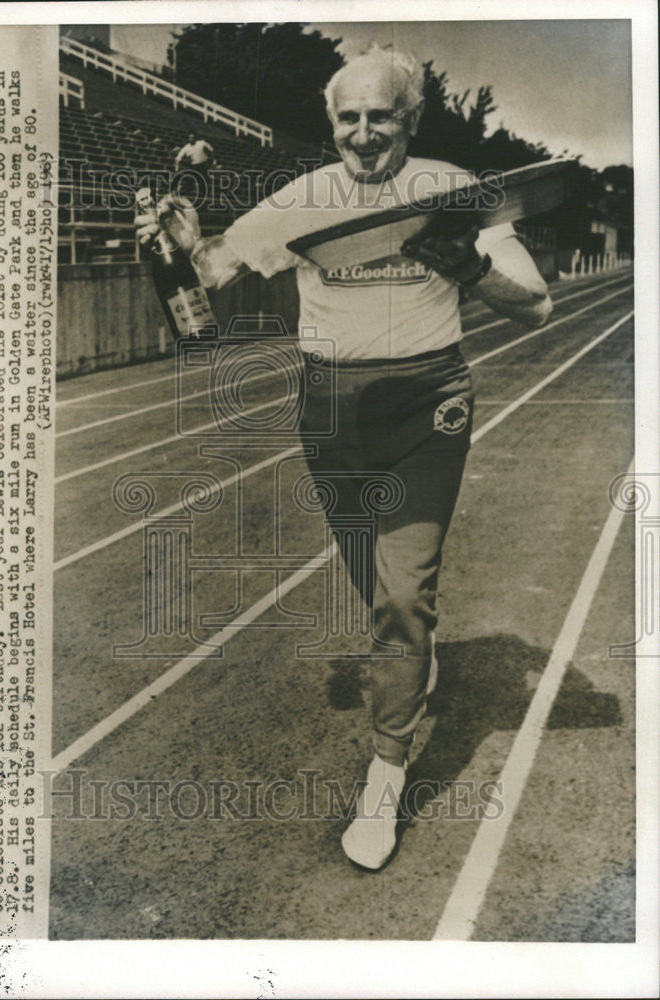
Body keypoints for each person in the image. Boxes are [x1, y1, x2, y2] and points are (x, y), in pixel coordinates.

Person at [137, 46, 551, 869]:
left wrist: (466, 265)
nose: (364, 135)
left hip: (426, 405)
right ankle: (412, 666)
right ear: (331, 125)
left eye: (382, 117)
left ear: (411, 120)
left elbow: (535, 306)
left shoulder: (454, 190)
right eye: (348, 119)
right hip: (330, 412)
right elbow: (210, 274)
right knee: (375, 585)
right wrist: (184, 243)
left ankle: (386, 772)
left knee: (403, 597)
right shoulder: (299, 201)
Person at [172, 131, 215, 203]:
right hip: (194, 165)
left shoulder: (202, 143)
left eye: (193, 137)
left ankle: (205, 197)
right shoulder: (186, 147)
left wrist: (213, 160)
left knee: (204, 180)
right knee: (190, 179)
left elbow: (211, 150)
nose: (191, 139)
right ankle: (181, 193)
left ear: (196, 138)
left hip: (203, 164)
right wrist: (176, 168)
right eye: (190, 137)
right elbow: (178, 158)